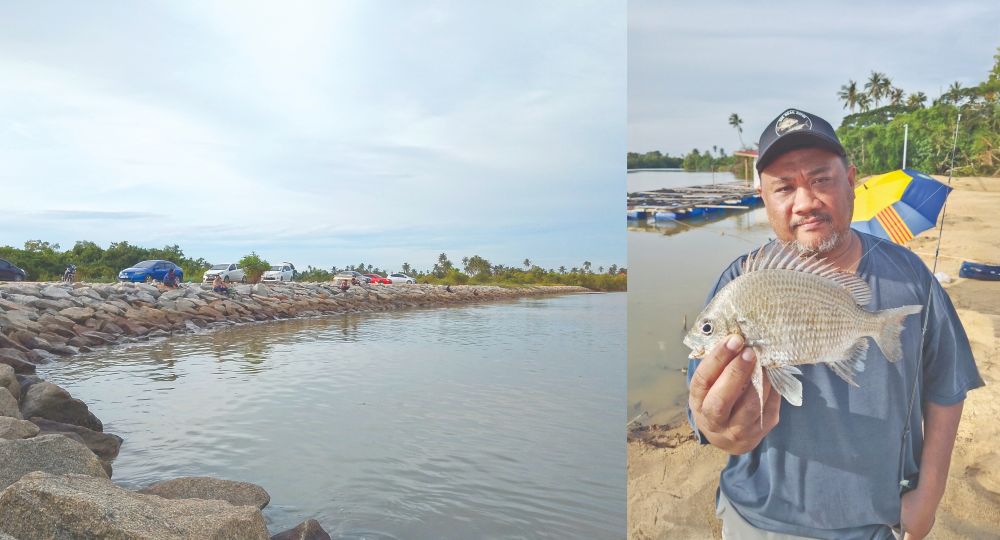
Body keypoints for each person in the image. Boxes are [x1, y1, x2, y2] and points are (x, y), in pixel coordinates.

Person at [686, 109, 983, 540]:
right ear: (763, 199)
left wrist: (930, 495)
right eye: (784, 187)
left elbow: (947, 386)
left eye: (821, 179)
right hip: (758, 518)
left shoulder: (911, 277)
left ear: (851, 182)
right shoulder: (740, 281)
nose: (804, 202)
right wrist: (717, 427)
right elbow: (704, 409)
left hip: (877, 520)